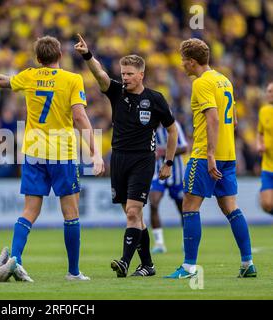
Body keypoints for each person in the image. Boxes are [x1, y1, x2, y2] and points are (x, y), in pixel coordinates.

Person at [0, 35, 105, 282]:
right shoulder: (72, 79)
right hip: (63, 154)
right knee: (71, 214)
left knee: (29, 211)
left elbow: (4, 81)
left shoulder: (30, 75)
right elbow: (80, 118)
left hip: (34, 152)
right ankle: (73, 272)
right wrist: (95, 152)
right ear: (60, 55)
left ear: (38, 59)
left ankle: (14, 260)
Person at [74, 34, 178, 277]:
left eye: (130, 74)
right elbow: (99, 74)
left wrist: (169, 162)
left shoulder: (155, 99)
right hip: (119, 159)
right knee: (135, 217)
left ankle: (124, 262)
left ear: (141, 75)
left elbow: (172, 131)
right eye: (123, 73)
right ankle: (148, 265)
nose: (125, 77)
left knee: (133, 212)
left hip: (143, 160)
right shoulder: (117, 92)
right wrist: (87, 55)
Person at [165, 38, 256, 279]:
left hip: (207, 155)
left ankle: (188, 267)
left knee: (190, 206)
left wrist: (211, 154)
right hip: (229, 155)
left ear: (192, 62)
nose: (182, 65)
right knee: (230, 207)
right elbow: (233, 120)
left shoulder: (201, 83)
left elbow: (213, 118)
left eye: (183, 61)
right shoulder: (224, 80)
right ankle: (248, 263)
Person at [150, 121, 188, 254]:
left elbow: (184, 147)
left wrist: (165, 152)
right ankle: (159, 243)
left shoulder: (174, 125)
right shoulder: (148, 125)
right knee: (153, 203)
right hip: (157, 173)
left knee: (183, 208)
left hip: (175, 173)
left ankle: (186, 240)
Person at [256, 81, 273, 216]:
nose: (269, 94)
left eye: (271, 91)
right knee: (266, 204)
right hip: (268, 165)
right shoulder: (263, 111)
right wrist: (259, 144)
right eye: (268, 91)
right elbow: (260, 133)